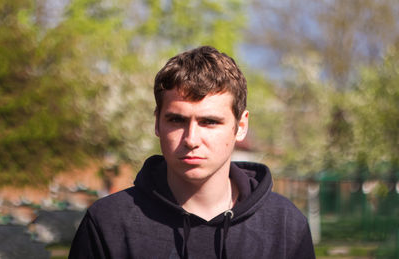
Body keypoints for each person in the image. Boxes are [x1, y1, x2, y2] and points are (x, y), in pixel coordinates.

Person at [69, 46, 315, 259]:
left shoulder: (284, 226)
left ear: (240, 127)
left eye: (209, 122)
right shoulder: (108, 223)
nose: (191, 139)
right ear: (157, 123)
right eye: (177, 120)